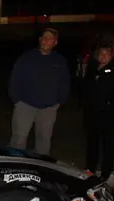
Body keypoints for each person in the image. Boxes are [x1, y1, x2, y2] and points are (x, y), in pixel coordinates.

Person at [7, 28, 70, 156]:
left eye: (50, 39)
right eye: (44, 38)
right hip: (25, 105)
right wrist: (17, 101)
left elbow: (65, 82)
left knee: (44, 141)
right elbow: (15, 79)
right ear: (40, 40)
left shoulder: (59, 61)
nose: (46, 41)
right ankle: (16, 164)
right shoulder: (27, 57)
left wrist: (59, 102)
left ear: (55, 42)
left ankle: (40, 164)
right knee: (18, 139)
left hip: (48, 108)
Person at [81, 39, 114, 181]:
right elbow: (85, 87)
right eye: (101, 54)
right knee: (92, 142)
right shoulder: (92, 68)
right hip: (92, 112)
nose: (103, 56)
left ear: (111, 55)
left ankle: (106, 172)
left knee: (107, 143)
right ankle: (90, 168)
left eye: (107, 54)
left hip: (107, 113)